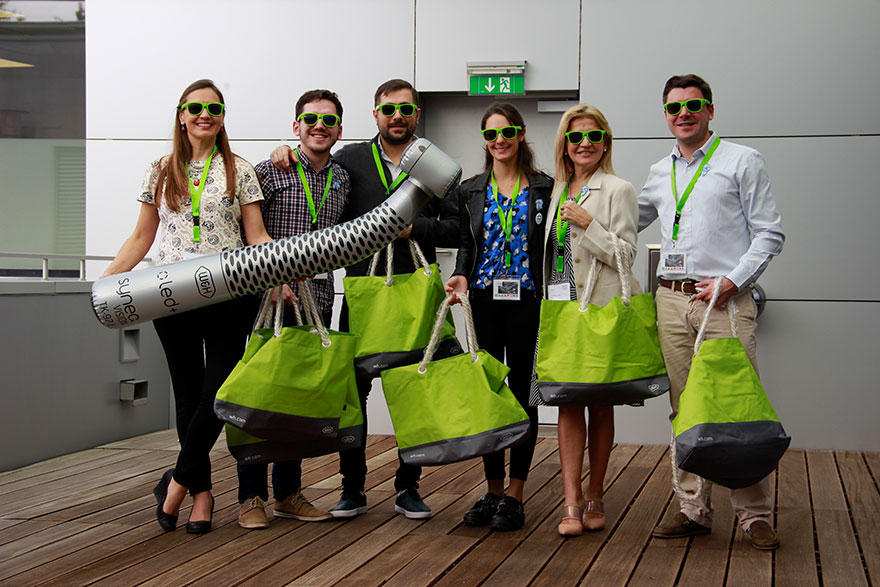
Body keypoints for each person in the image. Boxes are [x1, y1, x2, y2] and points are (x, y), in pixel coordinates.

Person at [271, 79, 459, 519]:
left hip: (415, 294)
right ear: (375, 114)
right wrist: (284, 153)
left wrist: (416, 229)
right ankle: (351, 488)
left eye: (406, 110)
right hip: (361, 294)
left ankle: (408, 486)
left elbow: (456, 228)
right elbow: (313, 180)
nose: (398, 116)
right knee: (353, 392)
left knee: (415, 387)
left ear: (417, 115)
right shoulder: (350, 159)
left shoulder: (436, 163)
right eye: (388, 109)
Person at [102, 79, 272, 534]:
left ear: (222, 117)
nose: (205, 114)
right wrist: (109, 276)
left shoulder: (240, 169)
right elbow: (142, 237)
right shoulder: (160, 169)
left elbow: (255, 235)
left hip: (230, 290)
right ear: (181, 115)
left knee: (217, 393)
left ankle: (176, 481)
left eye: (214, 108)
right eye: (195, 107)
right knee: (186, 392)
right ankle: (201, 493)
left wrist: (283, 269)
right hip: (170, 293)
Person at [638, 74, 785, 550]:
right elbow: (623, 222)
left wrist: (732, 281)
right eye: (674, 106)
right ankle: (693, 508)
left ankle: (754, 514)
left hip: (723, 301)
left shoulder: (742, 160)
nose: (684, 113)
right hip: (671, 299)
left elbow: (769, 233)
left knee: (734, 404)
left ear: (710, 110)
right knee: (685, 407)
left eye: (693, 105)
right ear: (665, 114)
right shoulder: (660, 172)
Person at [236, 89, 352, 530]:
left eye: (328, 120)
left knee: (300, 398)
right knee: (258, 394)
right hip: (267, 300)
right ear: (295, 126)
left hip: (317, 301)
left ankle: (287, 493)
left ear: (339, 129)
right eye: (310, 119)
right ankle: (250, 496)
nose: (318, 126)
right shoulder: (269, 170)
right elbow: (244, 230)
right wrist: (268, 278)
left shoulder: (342, 179)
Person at [532, 104, 641, 536]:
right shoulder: (557, 189)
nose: (584, 145)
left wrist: (588, 223)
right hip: (560, 308)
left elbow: (627, 256)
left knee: (600, 402)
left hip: (597, 308)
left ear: (605, 144)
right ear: (564, 144)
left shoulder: (618, 189)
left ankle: (596, 493)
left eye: (593, 137)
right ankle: (571, 502)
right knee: (566, 403)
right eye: (575, 137)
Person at [444, 102, 553, 531]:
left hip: (528, 299)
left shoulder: (545, 187)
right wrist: (458, 274)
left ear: (521, 133)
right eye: (491, 135)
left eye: (507, 132)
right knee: (489, 390)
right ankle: (492, 490)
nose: (499, 141)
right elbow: (469, 245)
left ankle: (516, 492)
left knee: (525, 392)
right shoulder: (471, 189)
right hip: (485, 300)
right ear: (484, 141)